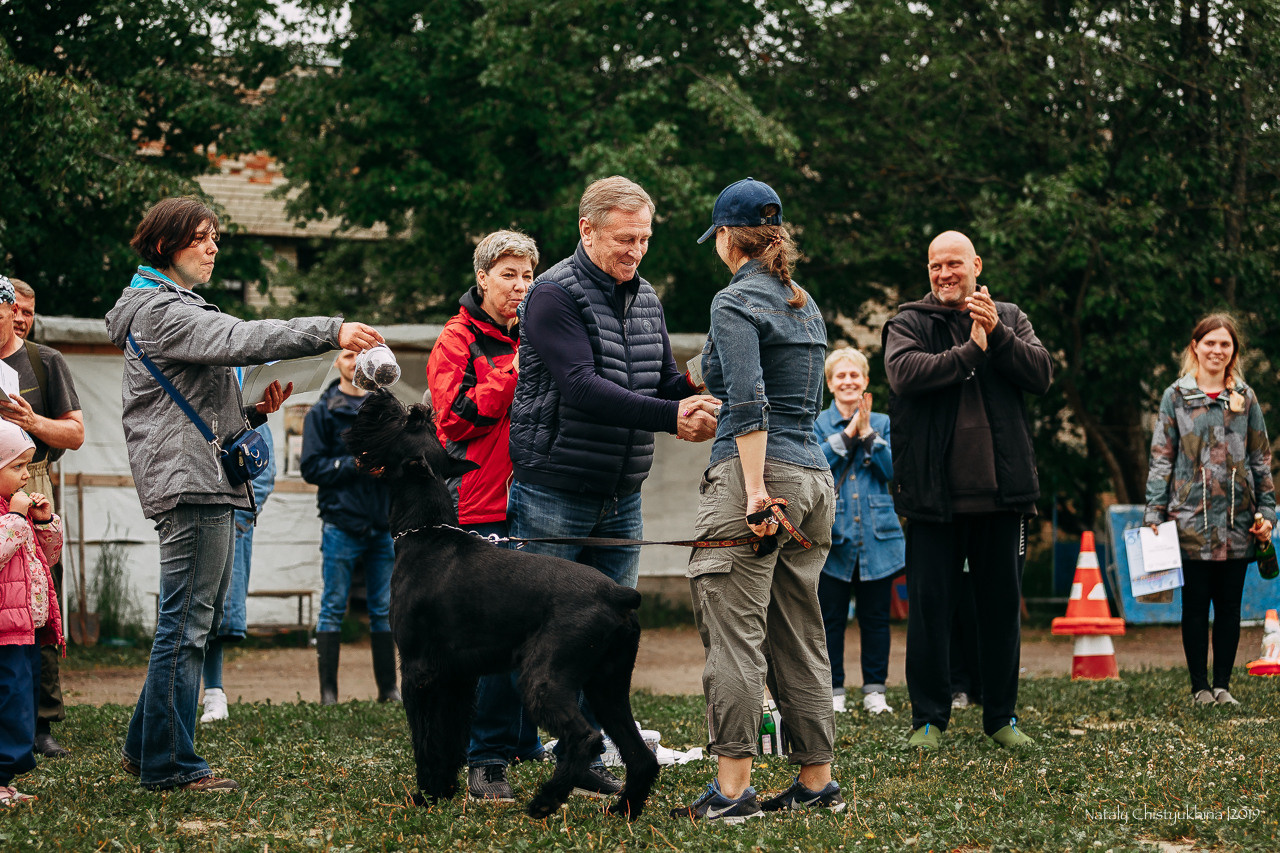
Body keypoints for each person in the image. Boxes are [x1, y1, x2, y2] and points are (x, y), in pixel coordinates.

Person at [105, 195, 384, 791]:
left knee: (185, 623)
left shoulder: (160, 308)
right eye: (201, 238)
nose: (212, 249)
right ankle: (172, 765)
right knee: (186, 627)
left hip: (198, 476)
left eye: (215, 238)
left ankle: (143, 748)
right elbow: (243, 336)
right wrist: (329, 330)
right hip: (193, 484)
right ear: (164, 247)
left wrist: (252, 411)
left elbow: (184, 409)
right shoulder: (159, 310)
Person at [507, 176, 717, 797]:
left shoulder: (646, 297)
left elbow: (658, 380)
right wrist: (669, 416)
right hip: (554, 489)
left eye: (645, 238)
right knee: (527, 629)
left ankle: (587, 752)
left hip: (622, 493)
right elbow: (580, 386)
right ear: (587, 230)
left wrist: (699, 401)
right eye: (626, 238)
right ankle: (496, 754)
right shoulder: (551, 296)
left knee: (604, 636)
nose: (637, 250)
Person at [675, 177, 841, 822]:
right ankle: (815, 782)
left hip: (759, 481)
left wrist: (751, 492)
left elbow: (746, 403)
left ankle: (733, 792)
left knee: (734, 638)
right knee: (800, 633)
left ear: (726, 237)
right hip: (813, 480)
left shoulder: (732, 300)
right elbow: (715, 369)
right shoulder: (804, 301)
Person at [882, 230, 1053, 751]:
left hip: (1003, 498)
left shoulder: (1010, 316)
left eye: (954, 264)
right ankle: (928, 720)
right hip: (933, 499)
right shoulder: (909, 322)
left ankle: (1001, 718)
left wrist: (996, 335)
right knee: (930, 612)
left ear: (976, 264)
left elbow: (1041, 374)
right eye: (936, 266)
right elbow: (904, 375)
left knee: (1000, 611)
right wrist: (970, 352)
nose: (944, 274)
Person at [426, 230, 546, 803]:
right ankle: (485, 758)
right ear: (482, 278)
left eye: (527, 276)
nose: (519, 287)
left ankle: (524, 742)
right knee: (493, 635)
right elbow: (455, 418)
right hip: (481, 504)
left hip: (539, 499)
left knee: (534, 630)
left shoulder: (540, 332)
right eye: (508, 275)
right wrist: (513, 368)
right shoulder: (456, 339)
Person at [1144, 314, 1274, 707]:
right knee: (1196, 606)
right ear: (1195, 346)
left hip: (1238, 522)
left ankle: (1223, 686)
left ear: (1233, 352)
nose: (1217, 350)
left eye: (1225, 345)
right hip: (1189, 522)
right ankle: (1199, 687)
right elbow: (1161, 458)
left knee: (1230, 607)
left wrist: (1268, 511)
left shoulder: (1246, 398)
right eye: (1210, 343)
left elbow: (1261, 458)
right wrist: (1155, 512)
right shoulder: (1175, 397)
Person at [0, 277, 84, 758]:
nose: (21, 318)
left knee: (35, 596)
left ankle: (41, 721)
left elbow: (75, 434)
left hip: (28, 476)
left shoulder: (44, 361)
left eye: (27, 311)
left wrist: (32, 423)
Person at [301, 349, 397, 707]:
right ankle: (329, 694)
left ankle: (388, 690)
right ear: (337, 362)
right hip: (340, 524)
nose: (353, 359)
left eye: (360, 355)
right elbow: (312, 467)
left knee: (383, 607)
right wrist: (353, 464)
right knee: (333, 605)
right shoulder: (322, 412)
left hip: (381, 524)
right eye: (346, 353)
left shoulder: (386, 408)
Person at [813, 347, 904, 717]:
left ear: (866, 381)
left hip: (877, 537)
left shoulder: (882, 421)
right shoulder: (818, 422)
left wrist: (868, 434)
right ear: (830, 383)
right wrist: (849, 433)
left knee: (876, 617)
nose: (848, 381)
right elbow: (818, 463)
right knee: (830, 618)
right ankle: (834, 690)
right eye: (840, 376)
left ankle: (874, 691)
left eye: (855, 376)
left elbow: (891, 470)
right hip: (832, 538)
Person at [0, 420, 63, 805]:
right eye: (18, 468)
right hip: (3, 631)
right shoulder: (11, 516)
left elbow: (47, 559)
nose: (27, 476)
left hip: (24, 629)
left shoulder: (15, 511)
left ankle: (4, 780)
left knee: (19, 703)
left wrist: (44, 525)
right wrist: (19, 520)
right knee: (5, 702)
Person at [199, 416, 275, 723]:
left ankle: (214, 695)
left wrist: (239, 521)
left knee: (217, 614)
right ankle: (185, 695)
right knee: (189, 615)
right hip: (193, 520)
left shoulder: (249, 410)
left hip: (231, 525)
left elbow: (264, 473)